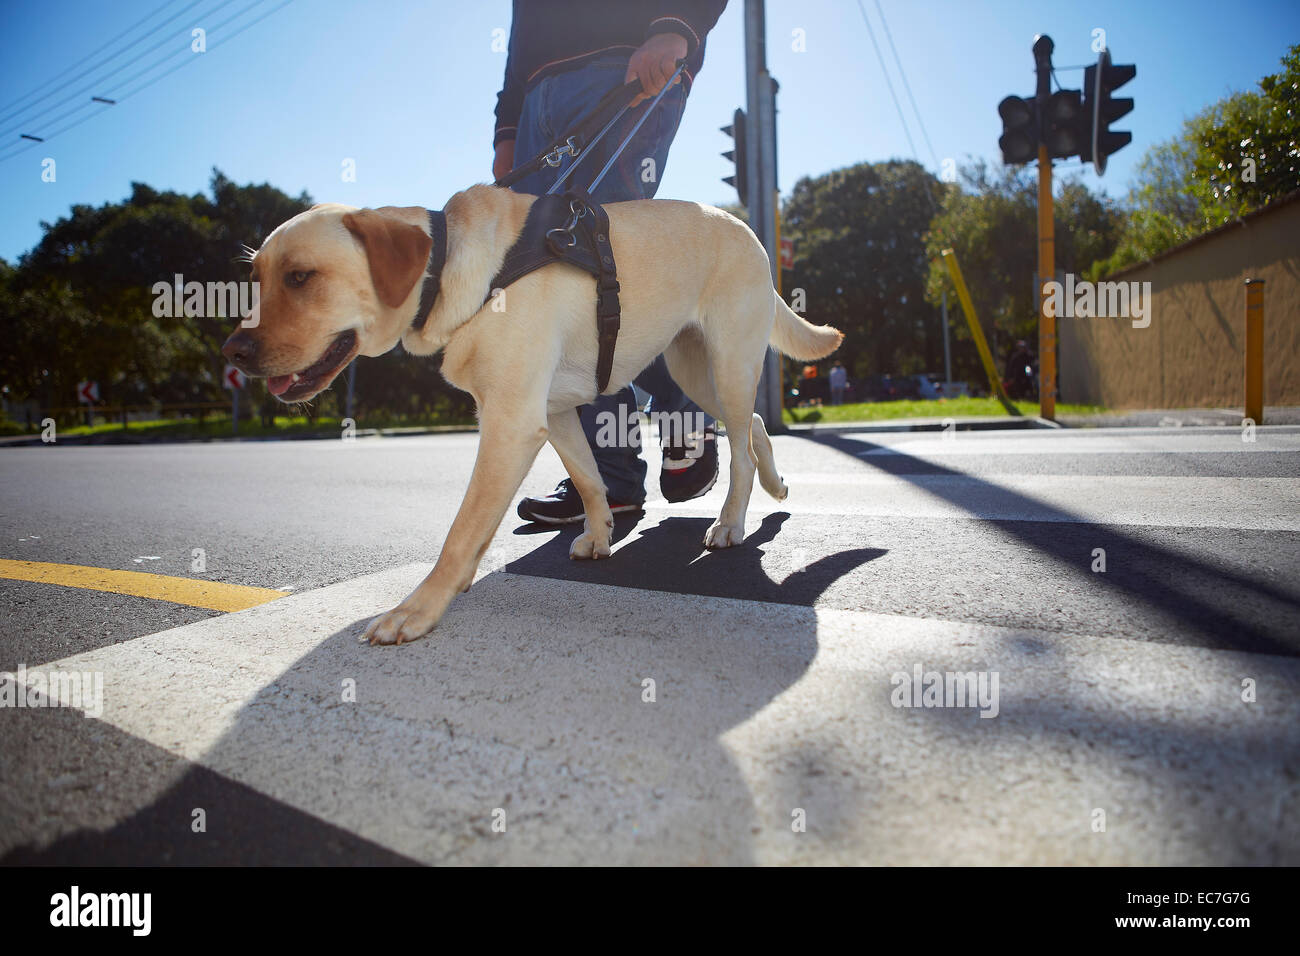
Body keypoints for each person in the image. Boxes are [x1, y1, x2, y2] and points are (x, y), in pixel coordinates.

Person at [493, 1, 728, 525]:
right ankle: (608, 474)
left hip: (625, 62)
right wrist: (509, 126)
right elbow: (524, 21)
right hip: (539, 97)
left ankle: (680, 413)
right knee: (557, 288)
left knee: (604, 272)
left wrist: (677, 26)